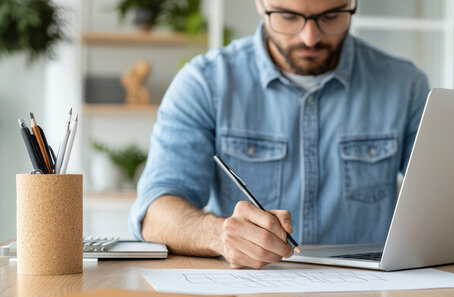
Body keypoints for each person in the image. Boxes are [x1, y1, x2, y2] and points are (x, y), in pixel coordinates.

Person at [129, 0, 430, 269]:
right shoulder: (204, 83)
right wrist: (219, 235)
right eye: (288, 16)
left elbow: (444, 201)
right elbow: (154, 212)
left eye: (331, 16)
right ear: (260, 4)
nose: (309, 37)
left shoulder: (406, 85)